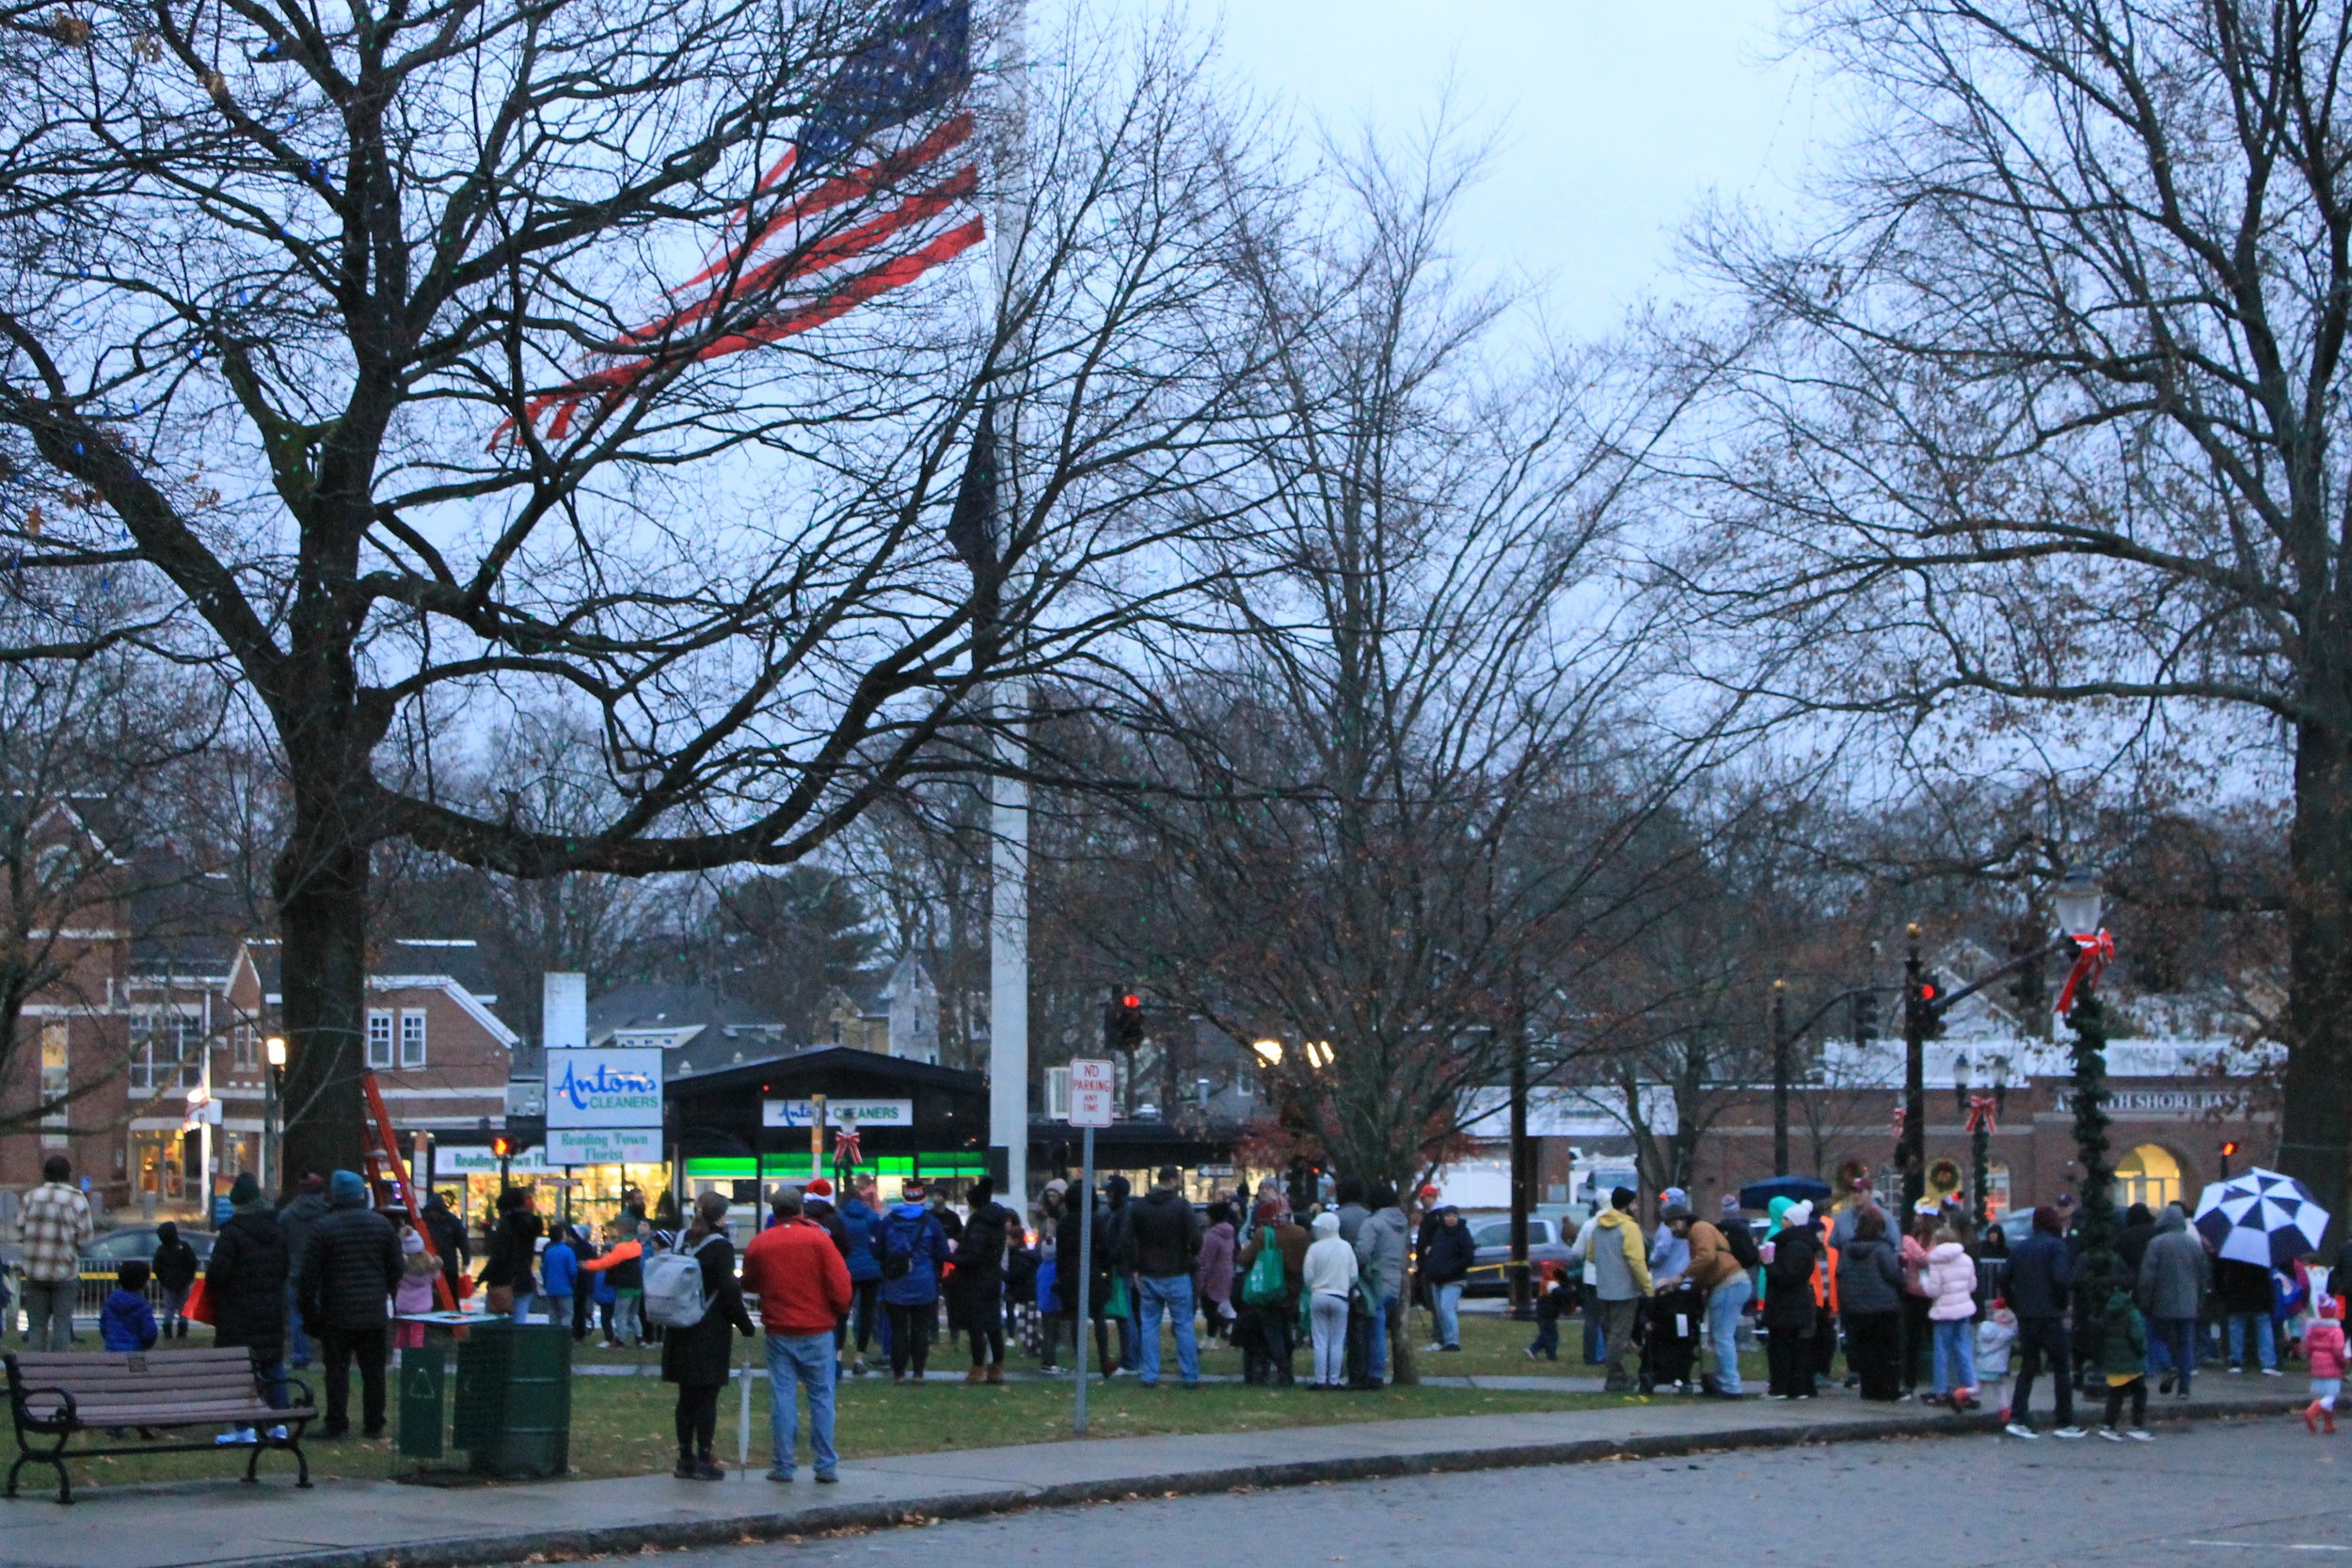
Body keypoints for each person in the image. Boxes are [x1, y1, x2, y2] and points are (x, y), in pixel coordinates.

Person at [741, 1185, 852, 1483]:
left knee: (783, 1397)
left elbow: (750, 1282)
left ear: (774, 1211)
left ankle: (784, 1463)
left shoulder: (762, 1243)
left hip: (779, 1328)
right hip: (817, 1328)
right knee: (821, 1396)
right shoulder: (819, 1239)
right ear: (801, 1209)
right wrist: (839, 1309)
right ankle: (825, 1464)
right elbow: (841, 1286)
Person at [298, 1169, 402, 1440]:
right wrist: (385, 1292)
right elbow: (396, 1268)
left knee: (336, 1371)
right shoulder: (382, 1225)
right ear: (361, 1194)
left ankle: (336, 1422)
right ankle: (374, 1423)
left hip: (337, 1312)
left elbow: (308, 1277)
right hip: (373, 1312)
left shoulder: (323, 1228)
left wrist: (310, 1315)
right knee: (374, 1372)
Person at [662, 1190, 755, 1480]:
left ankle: (685, 1457)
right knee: (706, 1398)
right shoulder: (720, 1247)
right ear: (721, 1216)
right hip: (708, 1328)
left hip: (679, 1326)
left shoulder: (682, 1241)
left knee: (685, 1397)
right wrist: (745, 1325)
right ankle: (705, 1458)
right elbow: (728, 1291)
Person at [207, 1171, 292, 1443]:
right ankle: (278, 1423)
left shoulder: (232, 1234)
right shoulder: (277, 1231)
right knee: (272, 1366)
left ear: (237, 1203)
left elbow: (216, 1276)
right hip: (269, 1311)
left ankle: (244, 1427)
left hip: (237, 1315)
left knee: (240, 1370)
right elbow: (284, 1269)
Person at [2004, 1205, 2086, 1439]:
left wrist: (2015, 1304)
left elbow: (2004, 1277)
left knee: (2028, 1367)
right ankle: (2064, 1419)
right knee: (2061, 1367)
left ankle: (2017, 1417)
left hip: (2027, 1315)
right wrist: (2061, 1303)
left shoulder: (2021, 1247)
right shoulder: (2056, 1247)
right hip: (2049, 1315)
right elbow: (2060, 1278)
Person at [1571, 1187, 1655, 1393]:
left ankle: (1616, 1373)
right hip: (1625, 1289)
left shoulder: (1599, 1226)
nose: (1636, 1207)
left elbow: (1590, 1255)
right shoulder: (1629, 1228)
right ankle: (1615, 1376)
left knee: (1610, 1331)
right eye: (1634, 1204)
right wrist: (1647, 1287)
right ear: (1626, 1205)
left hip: (1603, 1288)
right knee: (1620, 1333)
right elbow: (1636, 1260)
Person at [1128, 1165, 1205, 1389]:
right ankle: (1190, 1375)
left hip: (1148, 1272)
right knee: (1183, 1325)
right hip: (1177, 1272)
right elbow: (1196, 1238)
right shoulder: (1181, 1207)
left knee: (1150, 1325)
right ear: (1172, 1180)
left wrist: (1135, 1267)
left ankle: (1149, 1373)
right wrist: (1190, 1255)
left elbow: (1128, 1239)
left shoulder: (1139, 1207)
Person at [18, 1154, 93, 1351]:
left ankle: (33, 1375)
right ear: (68, 1174)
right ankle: (58, 1372)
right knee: (62, 1327)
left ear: (45, 1174)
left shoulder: (30, 1197)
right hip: (64, 1272)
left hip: (35, 1272)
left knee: (35, 1328)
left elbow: (20, 1229)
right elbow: (85, 1238)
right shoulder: (77, 1199)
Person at [879, 1180, 948, 1383]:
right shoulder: (931, 1222)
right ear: (923, 1198)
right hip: (924, 1282)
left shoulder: (889, 1221)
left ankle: (898, 1373)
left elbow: (879, 1251)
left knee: (898, 1329)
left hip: (896, 1283)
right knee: (920, 1329)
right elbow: (942, 1251)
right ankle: (918, 1373)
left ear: (905, 1197)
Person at [2138, 1202, 2209, 1398]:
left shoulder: (2156, 1244)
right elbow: (2203, 1276)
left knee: (2156, 1338)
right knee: (2186, 1344)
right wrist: (2200, 1300)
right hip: (2189, 1303)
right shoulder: (2194, 1245)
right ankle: (2184, 1388)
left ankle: (2169, 1365)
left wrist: (2145, 1301)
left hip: (2161, 1302)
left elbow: (2147, 1277)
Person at [1235, 1197, 1308, 1386]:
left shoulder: (1263, 1234)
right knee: (1286, 1329)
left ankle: (1283, 1370)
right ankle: (1287, 1367)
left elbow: (1244, 1259)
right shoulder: (1301, 1233)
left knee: (1272, 1331)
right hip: (1293, 1290)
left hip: (1271, 1289)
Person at [1836, 1206, 1904, 1401]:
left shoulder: (1848, 1249)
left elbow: (1841, 1274)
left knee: (1865, 1351)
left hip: (1857, 1308)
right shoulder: (1882, 1249)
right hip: (1884, 1307)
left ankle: (1869, 1389)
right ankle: (1888, 1389)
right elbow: (1893, 1275)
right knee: (1886, 1350)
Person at [958, 1177, 1017, 1385]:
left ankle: (978, 1367)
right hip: (993, 1277)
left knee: (976, 1326)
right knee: (993, 1326)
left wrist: (952, 1257)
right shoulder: (997, 1223)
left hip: (976, 1280)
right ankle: (997, 1367)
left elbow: (973, 1256)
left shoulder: (978, 1225)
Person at [1762, 1198, 1822, 1399]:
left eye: (1786, 1219)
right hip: (1796, 1304)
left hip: (1786, 1305)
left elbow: (1787, 1276)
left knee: (1782, 1347)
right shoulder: (1802, 1244)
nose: (1783, 1222)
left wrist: (1769, 1264)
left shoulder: (1794, 1246)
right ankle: (1798, 1387)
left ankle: (1782, 1387)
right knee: (1797, 1348)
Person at [1354, 1184, 1409, 1386]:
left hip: (1376, 1279)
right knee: (1381, 1327)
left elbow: (1362, 1252)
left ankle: (1375, 1374)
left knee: (1375, 1329)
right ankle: (1374, 1371)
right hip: (1394, 1280)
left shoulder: (1373, 1223)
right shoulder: (1401, 1223)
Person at [1921, 1222, 1979, 1411]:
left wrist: (1923, 1279)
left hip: (1944, 1312)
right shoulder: (1966, 1259)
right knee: (1964, 1351)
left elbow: (1933, 1291)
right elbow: (1972, 1286)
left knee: (1942, 1352)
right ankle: (1969, 1390)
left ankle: (1941, 1391)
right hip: (1963, 1310)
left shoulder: (1936, 1262)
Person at [276, 1173, 330, 1370]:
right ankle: (330, 1353)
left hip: (296, 1274)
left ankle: (300, 1355)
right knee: (328, 1313)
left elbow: (280, 1245)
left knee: (297, 1316)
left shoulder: (287, 1215)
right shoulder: (328, 1214)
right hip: (324, 1274)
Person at [1303, 1209, 1359, 1389]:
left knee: (1320, 1340)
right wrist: (1344, 1286)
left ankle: (1320, 1379)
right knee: (1337, 1341)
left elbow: (1308, 1275)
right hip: (1339, 1296)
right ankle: (1334, 1380)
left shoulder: (1314, 1248)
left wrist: (1314, 1287)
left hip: (1318, 1296)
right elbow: (1353, 1275)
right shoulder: (1345, 1247)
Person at [836, 1180, 884, 1375]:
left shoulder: (839, 1218)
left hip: (847, 1269)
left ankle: (838, 1356)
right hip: (871, 1270)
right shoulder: (872, 1216)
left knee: (842, 1313)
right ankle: (859, 1358)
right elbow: (880, 1241)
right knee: (866, 1314)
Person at [2098, 1286, 2154, 1442]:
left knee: (2115, 1394)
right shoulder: (2132, 1313)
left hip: (2114, 1362)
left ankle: (2108, 1425)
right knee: (2140, 1392)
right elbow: (2137, 1337)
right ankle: (2138, 1425)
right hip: (2131, 1363)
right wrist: (2142, 1352)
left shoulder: (2109, 1311)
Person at [1418, 1206, 1476, 1354]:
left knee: (1446, 1308)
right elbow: (1433, 1254)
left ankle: (1453, 1342)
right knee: (1438, 1311)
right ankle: (1442, 1340)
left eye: (1453, 1215)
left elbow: (1468, 1258)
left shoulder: (1463, 1233)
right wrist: (1429, 1267)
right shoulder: (1439, 1233)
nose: (1451, 1218)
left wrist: (1452, 1269)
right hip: (1436, 1279)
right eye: (1448, 1215)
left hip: (1454, 1279)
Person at [482, 1186, 542, 1321]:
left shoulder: (505, 1226)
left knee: (493, 1321)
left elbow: (498, 1256)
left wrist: (480, 1279)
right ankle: (518, 1340)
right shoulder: (532, 1224)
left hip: (502, 1280)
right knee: (519, 1321)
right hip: (524, 1279)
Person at [2217, 1252, 2281, 1375]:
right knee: (2264, 1328)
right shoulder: (2264, 1251)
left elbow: (2221, 1271)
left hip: (2236, 1294)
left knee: (2236, 1328)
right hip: (2261, 1295)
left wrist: (2224, 1292)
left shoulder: (2233, 1251)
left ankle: (2236, 1362)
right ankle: (2268, 1363)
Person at [584, 1225, 646, 1346]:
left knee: (620, 1314)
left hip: (624, 1287)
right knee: (634, 1314)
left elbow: (606, 1263)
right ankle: (640, 1338)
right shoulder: (638, 1247)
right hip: (637, 1285)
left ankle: (620, 1340)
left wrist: (587, 1265)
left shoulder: (621, 1248)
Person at [1197, 1199, 1237, 1347]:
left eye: (1207, 1215)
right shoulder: (1229, 1233)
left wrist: (1200, 1280)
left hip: (1212, 1277)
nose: (1204, 1218)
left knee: (1209, 1310)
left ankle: (1226, 1325)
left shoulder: (1211, 1236)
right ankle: (1211, 1338)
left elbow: (1205, 1261)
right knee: (1213, 1307)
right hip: (1226, 1274)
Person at [393, 1224, 439, 1352]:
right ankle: (414, 1358)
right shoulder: (429, 1266)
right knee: (417, 1336)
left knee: (401, 1333)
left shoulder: (402, 1266)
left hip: (403, 1306)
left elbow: (395, 1278)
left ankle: (398, 1359)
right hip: (422, 1308)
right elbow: (436, 1276)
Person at [151, 1221, 199, 1340]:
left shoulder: (161, 1250)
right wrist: (189, 1278)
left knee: (168, 1308)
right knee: (183, 1307)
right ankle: (182, 1332)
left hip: (168, 1283)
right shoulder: (184, 1247)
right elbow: (192, 1263)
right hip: (183, 1282)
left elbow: (156, 1267)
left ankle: (168, 1333)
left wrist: (163, 1279)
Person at [2305, 1294, 2344, 1434]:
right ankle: (2313, 1410)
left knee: (2325, 1394)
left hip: (2317, 1364)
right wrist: (2343, 1362)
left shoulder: (2313, 1329)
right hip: (2332, 1366)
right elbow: (2338, 1350)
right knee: (2331, 1395)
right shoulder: (2336, 1331)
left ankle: (2328, 1424)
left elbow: (2308, 1346)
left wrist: (2313, 1358)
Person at [101, 1259, 159, 1352]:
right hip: (135, 1353)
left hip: (111, 1352)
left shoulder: (110, 1302)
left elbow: (104, 1327)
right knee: (137, 1367)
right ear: (143, 1282)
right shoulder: (142, 1306)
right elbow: (150, 1332)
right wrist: (145, 1345)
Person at [421, 1191, 469, 1304]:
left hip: (447, 1265)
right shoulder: (450, 1221)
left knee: (451, 1295)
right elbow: (462, 1241)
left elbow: (462, 1241)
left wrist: (466, 1260)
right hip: (433, 1264)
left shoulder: (452, 1221)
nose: (433, 1214)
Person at [1978, 1298, 2019, 1419]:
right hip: (1997, 1365)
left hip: (1984, 1363)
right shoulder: (2006, 1333)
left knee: (1982, 1388)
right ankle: (2005, 1412)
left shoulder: (1985, 1328)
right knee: (1996, 1387)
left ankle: (2005, 1410)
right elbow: (2015, 1328)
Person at [539, 1224, 580, 1330]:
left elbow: (544, 1270)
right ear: (562, 1235)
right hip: (565, 1288)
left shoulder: (549, 1251)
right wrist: (573, 1283)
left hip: (551, 1288)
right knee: (567, 1314)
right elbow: (572, 1271)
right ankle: (564, 1338)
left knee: (553, 1315)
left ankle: (553, 1338)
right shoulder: (568, 1251)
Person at [1529, 1262, 1568, 1361]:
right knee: (1551, 1336)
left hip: (1545, 1313)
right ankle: (1550, 1355)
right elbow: (1560, 1293)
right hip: (1547, 1314)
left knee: (1546, 1334)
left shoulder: (1545, 1282)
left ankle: (1534, 1349)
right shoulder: (1551, 1283)